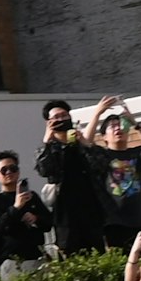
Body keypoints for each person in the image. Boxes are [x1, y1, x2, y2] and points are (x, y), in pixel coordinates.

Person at [35, 102, 112, 256]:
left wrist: (84, 143)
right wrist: (47, 142)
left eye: (64, 115)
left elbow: (103, 165)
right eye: (56, 117)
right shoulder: (49, 149)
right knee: (71, 258)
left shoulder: (82, 145)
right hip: (66, 218)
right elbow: (44, 170)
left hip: (92, 214)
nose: (61, 120)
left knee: (98, 255)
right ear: (48, 122)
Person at [0, 151, 55, 272]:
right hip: (10, 260)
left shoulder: (31, 197)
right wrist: (16, 207)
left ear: (18, 171)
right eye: (4, 170)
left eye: (13, 168)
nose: (9, 172)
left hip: (36, 256)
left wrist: (35, 218)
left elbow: (49, 222)